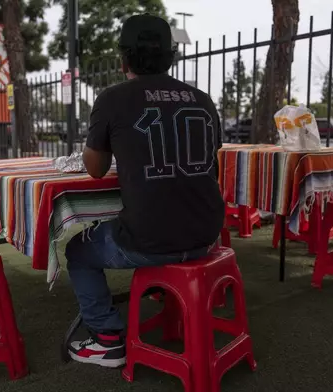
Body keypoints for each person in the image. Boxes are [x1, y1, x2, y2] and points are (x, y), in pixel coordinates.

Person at [65, 14, 224, 368]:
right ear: (171, 56)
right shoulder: (202, 99)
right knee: (154, 218)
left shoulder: (112, 99)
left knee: (77, 250)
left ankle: (107, 339)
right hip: (207, 235)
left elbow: (95, 169)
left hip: (150, 240)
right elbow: (209, 160)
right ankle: (164, 295)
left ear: (124, 59)